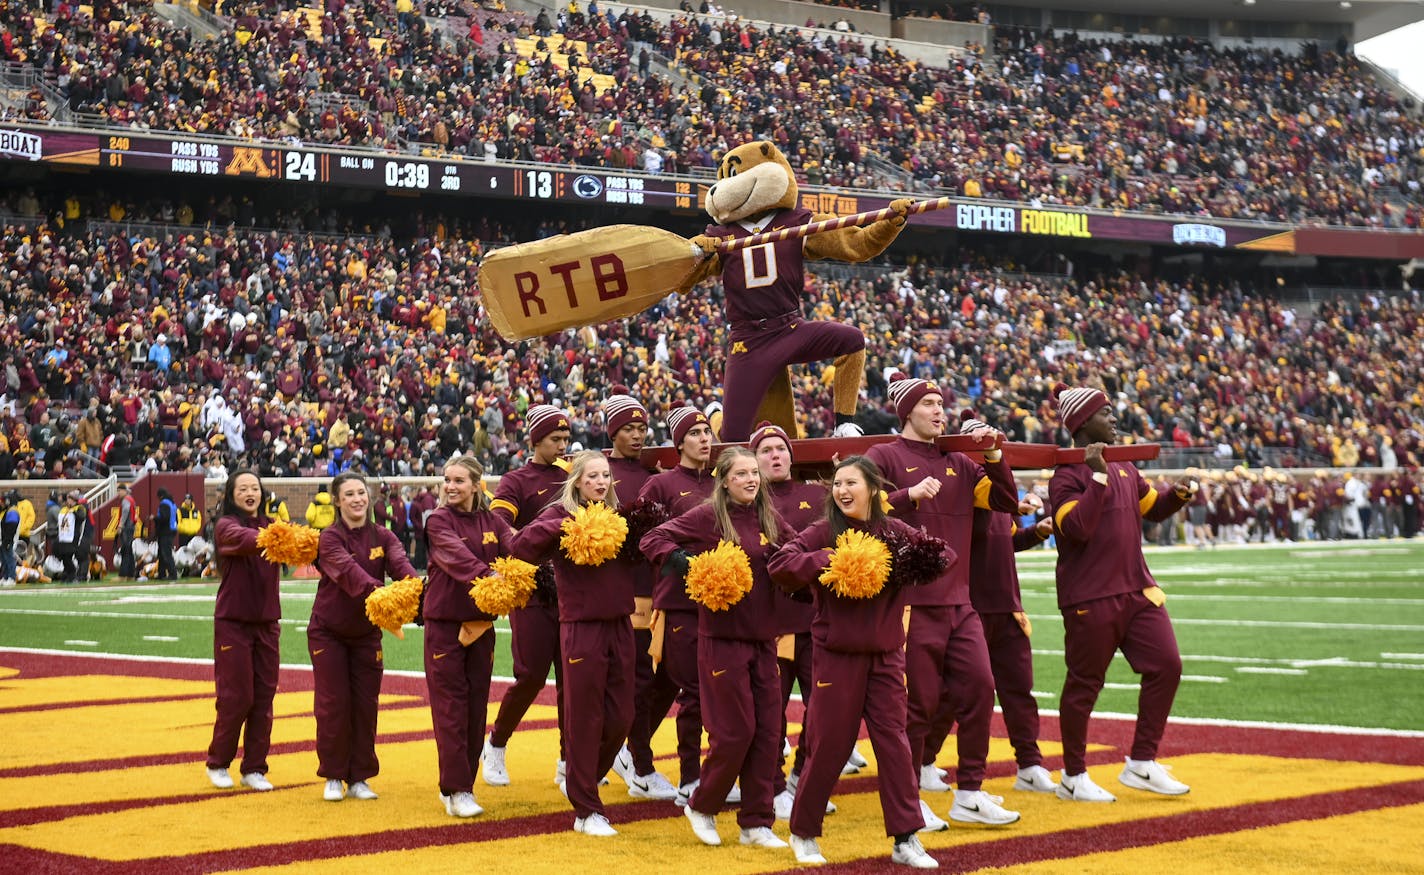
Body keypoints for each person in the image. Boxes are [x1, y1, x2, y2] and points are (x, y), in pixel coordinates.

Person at [768, 455, 948, 868]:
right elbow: (780, 564)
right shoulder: (822, 531)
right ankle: (804, 832)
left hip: (886, 657)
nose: (843, 491)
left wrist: (909, 566)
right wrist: (824, 562)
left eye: (851, 483)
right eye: (837, 484)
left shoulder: (894, 530)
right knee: (829, 745)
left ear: (873, 488)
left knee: (895, 745)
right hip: (836, 658)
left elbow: (941, 557)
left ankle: (906, 837)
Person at [865, 374, 1022, 829]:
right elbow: (859, 507)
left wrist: (993, 455)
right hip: (911, 605)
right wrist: (906, 496)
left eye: (941, 402)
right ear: (907, 410)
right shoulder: (884, 455)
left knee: (979, 688)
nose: (939, 410)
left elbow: (1007, 501)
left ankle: (970, 791)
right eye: (929, 402)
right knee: (917, 706)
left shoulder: (961, 461)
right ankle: (909, 799)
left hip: (960, 602)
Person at [1049, 383, 1196, 802]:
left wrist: (1178, 495)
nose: (1114, 419)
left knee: (1167, 665)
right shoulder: (1065, 477)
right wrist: (1096, 477)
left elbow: (1152, 509)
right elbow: (1077, 530)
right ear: (1082, 423)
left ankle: (1142, 763)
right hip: (1089, 598)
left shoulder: (1127, 467)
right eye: (1105, 412)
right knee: (1084, 686)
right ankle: (1074, 776)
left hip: (1137, 590)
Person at [642, 447, 793, 850]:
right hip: (720, 641)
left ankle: (757, 823)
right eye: (741, 473)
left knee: (768, 732)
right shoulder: (708, 516)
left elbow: (797, 553)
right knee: (734, 733)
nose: (751, 479)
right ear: (724, 480)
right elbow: (653, 538)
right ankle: (702, 805)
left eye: (754, 473)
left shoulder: (769, 518)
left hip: (763, 640)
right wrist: (684, 563)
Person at [921, 411, 1058, 796]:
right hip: (971, 608)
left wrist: (1034, 533)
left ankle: (1029, 763)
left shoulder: (998, 492)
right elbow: (975, 530)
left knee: (1019, 689)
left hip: (1007, 606)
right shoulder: (967, 490)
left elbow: (1006, 541)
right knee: (952, 694)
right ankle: (924, 760)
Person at [512, 450, 634, 836]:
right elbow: (520, 547)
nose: (600, 482)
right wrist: (560, 526)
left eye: (605, 476)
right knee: (584, 718)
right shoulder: (558, 517)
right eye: (593, 476)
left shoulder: (619, 517)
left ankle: (581, 782)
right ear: (577, 481)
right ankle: (586, 810)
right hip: (581, 627)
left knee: (622, 716)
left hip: (621, 624)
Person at [310, 471, 418, 803]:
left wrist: (415, 590)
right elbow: (349, 574)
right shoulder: (329, 538)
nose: (357, 499)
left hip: (367, 634)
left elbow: (403, 568)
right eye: (350, 494)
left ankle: (360, 777)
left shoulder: (384, 536)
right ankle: (333, 774)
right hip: (328, 632)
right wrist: (384, 595)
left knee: (366, 705)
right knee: (333, 704)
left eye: (361, 493)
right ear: (338, 501)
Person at [483, 404, 571, 787]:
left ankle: (570, 760)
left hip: (572, 590)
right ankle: (497, 743)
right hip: (532, 589)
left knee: (573, 679)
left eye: (566, 439)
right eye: (556, 439)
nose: (563, 446)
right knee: (531, 676)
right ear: (536, 440)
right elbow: (498, 525)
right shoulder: (515, 480)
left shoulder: (573, 477)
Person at [632, 404, 715, 803]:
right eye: (696, 433)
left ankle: (635, 756)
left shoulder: (722, 483)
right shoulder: (661, 485)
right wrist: (680, 563)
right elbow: (645, 542)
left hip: (721, 603)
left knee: (677, 687)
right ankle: (690, 778)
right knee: (694, 691)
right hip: (678, 603)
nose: (704, 439)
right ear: (679, 441)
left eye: (707, 432)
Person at [747, 421, 829, 819]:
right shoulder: (745, 503)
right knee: (770, 714)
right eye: (765, 450)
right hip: (770, 623)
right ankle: (773, 785)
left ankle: (802, 775)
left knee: (825, 708)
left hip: (815, 620)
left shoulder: (817, 493)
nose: (775, 455)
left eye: (780, 448)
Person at [424, 454, 512, 818]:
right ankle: (456, 788)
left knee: (477, 709)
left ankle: (464, 785)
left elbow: (517, 547)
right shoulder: (438, 520)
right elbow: (455, 556)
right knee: (451, 710)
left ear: (477, 485)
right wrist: (489, 576)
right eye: (447, 480)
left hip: (481, 628)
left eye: (459, 481)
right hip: (445, 626)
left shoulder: (493, 520)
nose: (450, 486)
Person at [601, 392, 679, 801]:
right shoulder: (598, 470)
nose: (636, 435)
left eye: (641, 428)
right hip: (626, 590)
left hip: (661, 586)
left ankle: (630, 749)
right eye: (628, 429)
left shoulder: (654, 469)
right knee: (638, 679)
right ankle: (640, 765)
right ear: (613, 431)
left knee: (668, 676)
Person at [205, 469, 283, 792]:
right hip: (233, 623)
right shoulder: (226, 526)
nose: (250, 493)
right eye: (243, 489)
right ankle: (218, 762)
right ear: (231, 494)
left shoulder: (272, 526)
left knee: (264, 698)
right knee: (237, 697)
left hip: (267, 623)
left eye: (255, 488)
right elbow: (245, 540)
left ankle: (254, 767)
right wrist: (278, 538)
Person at [116, 484, 140, 579]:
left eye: (119, 491)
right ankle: (130, 574)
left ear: (124, 491)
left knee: (125, 551)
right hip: (131, 527)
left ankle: (123, 574)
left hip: (127, 528)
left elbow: (125, 511)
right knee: (129, 551)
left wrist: (120, 525)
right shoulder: (131, 499)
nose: (118, 493)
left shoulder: (126, 500)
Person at [155, 488, 178, 580]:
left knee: (166, 553)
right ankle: (161, 573)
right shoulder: (172, 503)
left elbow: (164, 518)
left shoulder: (164, 504)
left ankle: (173, 574)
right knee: (161, 553)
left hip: (165, 531)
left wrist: (155, 519)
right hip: (171, 530)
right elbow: (175, 518)